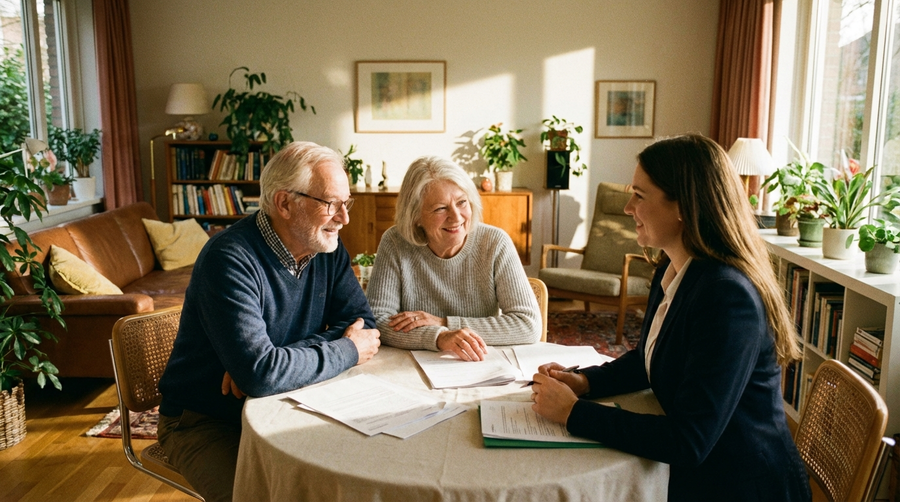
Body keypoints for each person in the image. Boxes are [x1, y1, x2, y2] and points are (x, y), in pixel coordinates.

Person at [530, 134, 811, 501]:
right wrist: (584, 383)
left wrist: (574, 413)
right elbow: (649, 359)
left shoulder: (726, 296)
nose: (629, 207)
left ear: (683, 206)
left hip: (740, 485)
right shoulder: (674, 270)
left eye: (639, 195)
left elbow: (689, 441)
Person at [157, 141, 381, 502]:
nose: (344, 217)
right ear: (285, 203)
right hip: (206, 421)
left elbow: (363, 325)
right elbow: (262, 374)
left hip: (289, 398)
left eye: (346, 202)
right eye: (330, 204)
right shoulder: (229, 259)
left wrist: (277, 359)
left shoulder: (328, 249)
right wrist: (345, 350)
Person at [365, 156, 540, 362]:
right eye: (440, 208)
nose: (456, 217)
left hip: (481, 364)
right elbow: (377, 321)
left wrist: (444, 323)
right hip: (412, 365)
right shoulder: (395, 242)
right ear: (415, 216)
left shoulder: (495, 242)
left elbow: (528, 325)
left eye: (462, 202)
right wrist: (439, 337)